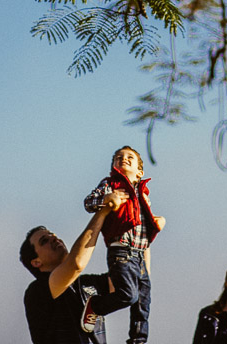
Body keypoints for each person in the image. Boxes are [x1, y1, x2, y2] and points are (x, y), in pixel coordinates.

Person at [81, 146, 166, 343]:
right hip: (121, 251)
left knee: (143, 303)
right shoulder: (111, 184)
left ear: (140, 172)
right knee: (128, 295)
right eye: (118, 158)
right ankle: (96, 305)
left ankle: (138, 341)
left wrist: (157, 221)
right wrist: (106, 199)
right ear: (113, 166)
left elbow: (142, 223)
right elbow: (88, 202)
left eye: (130, 157)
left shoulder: (143, 194)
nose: (123, 159)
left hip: (140, 256)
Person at [21, 188, 129, 344]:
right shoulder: (38, 291)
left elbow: (132, 279)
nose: (54, 238)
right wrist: (103, 211)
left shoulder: (88, 284)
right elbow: (77, 263)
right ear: (36, 262)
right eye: (44, 241)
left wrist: (139, 232)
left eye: (53, 235)